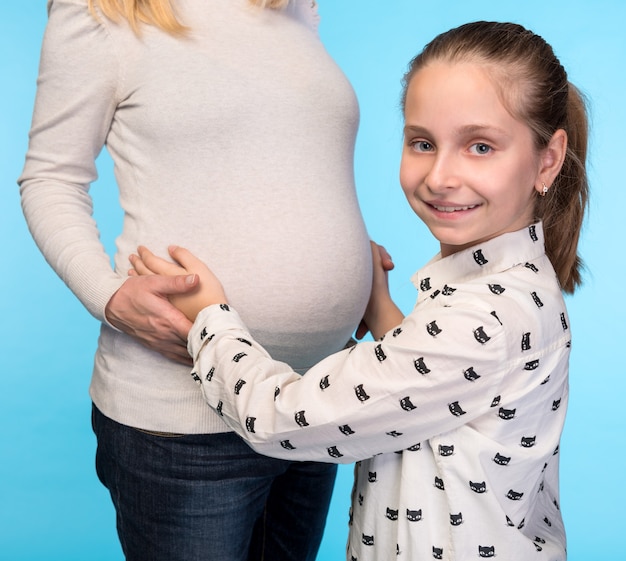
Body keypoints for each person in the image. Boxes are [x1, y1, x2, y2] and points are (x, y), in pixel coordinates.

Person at [130, 21, 589, 561]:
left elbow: (281, 419)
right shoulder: (507, 286)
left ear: (548, 159)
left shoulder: (485, 317)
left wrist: (209, 319)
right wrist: (382, 310)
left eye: (480, 146)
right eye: (422, 142)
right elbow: (443, 398)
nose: (440, 176)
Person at [18, 0, 374, 559]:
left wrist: (342, 251)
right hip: (181, 421)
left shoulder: (293, 8)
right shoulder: (99, 11)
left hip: (311, 400)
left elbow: (285, 162)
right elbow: (50, 177)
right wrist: (108, 296)